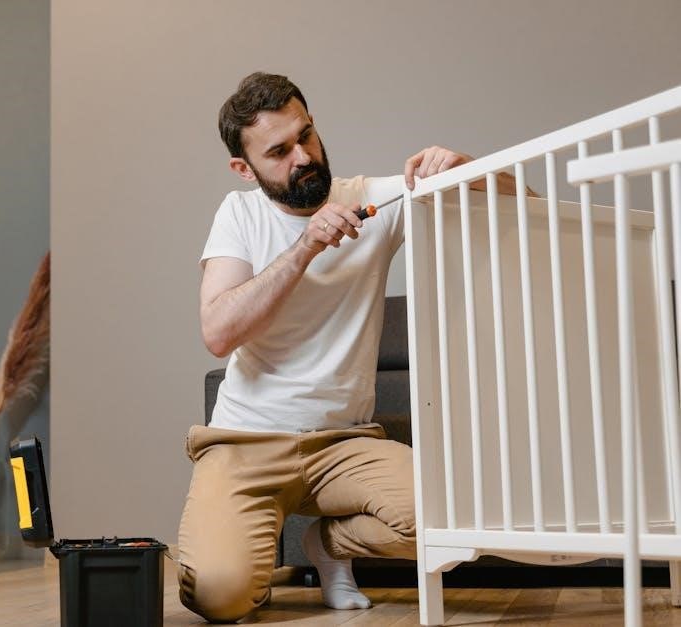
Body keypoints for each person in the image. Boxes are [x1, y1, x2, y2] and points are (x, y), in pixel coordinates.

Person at [178, 72, 518, 623]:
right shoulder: (239, 214)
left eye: (306, 136)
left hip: (345, 444)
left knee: (459, 520)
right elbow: (218, 332)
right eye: (280, 152)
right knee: (219, 596)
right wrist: (304, 247)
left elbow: (523, 204)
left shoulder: (371, 199)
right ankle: (246, 557)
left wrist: (469, 170)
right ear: (244, 168)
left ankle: (328, 545)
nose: (303, 157)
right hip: (246, 443)